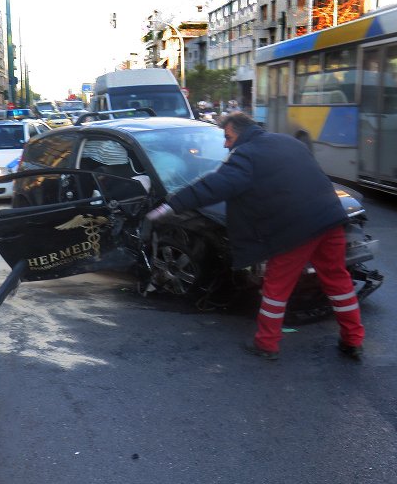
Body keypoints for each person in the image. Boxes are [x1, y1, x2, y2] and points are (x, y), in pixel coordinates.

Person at [146, 112, 364, 361]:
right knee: (338, 281)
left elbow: (213, 186)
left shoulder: (246, 155)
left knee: (276, 289)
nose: (225, 143)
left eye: (227, 137)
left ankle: (266, 344)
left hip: (295, 231)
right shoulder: (288, 141)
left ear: (240, 132)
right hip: (330, 220)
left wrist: (172, 205)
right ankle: (353, 340)